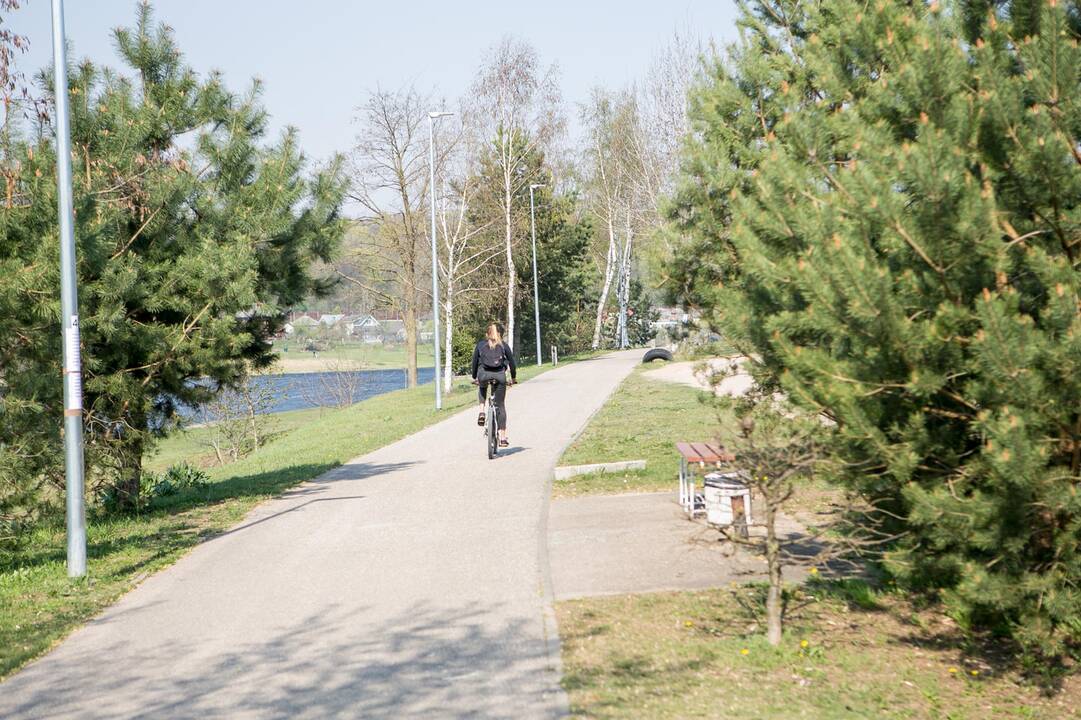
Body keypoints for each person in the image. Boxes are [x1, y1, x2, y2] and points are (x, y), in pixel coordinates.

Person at [471, 322, 517, 447]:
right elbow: (512, 364)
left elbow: (474, 362)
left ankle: (481, 411)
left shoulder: (481, 345)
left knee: (482, 385)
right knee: (500, 405)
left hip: (483, 375)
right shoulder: (504, 345)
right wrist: (513, 378)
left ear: (487, 334)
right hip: (500, 376)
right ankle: (502, 437)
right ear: (500, 334)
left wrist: (475, 377)